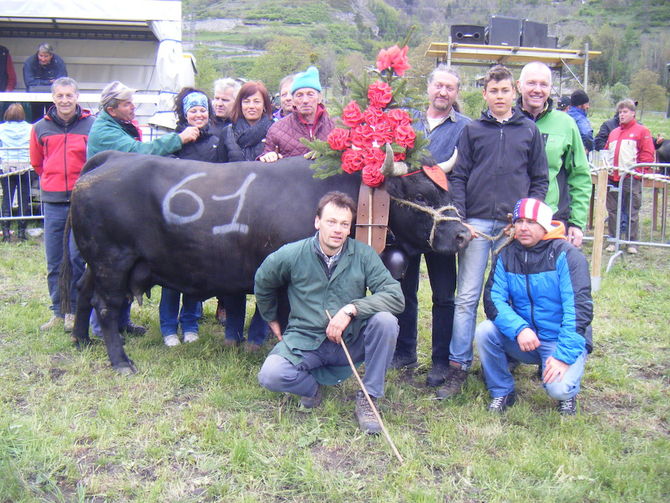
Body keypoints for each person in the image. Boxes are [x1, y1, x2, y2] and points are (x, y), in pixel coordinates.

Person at [438, 65, 548, 400]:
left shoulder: (528, 131)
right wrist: (461, 218)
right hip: (476, 225)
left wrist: (525, 220)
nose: (499, 97)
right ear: (484, 94)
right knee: (467, 297)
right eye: (493, 91)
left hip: (512, 227)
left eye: (504, 91)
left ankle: (500, 361)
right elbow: (458, 176)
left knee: (508, 296)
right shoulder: (472, 131)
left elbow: (539, 180)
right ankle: (457, 367)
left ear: (513, 93)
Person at [256, 191, 404, 433]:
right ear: (317, 222)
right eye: (331, 222)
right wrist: (271, 317)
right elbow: (263, 279)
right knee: (271, 375)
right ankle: (311, 389)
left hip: (350, 340)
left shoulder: (363, 255)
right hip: (305, 340)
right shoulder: (292, 253)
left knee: (386, 321)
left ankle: (369, 398)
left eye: (345, 224)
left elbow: (395, 296)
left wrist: (352, 309)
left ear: (349, 228)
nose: (338, 229)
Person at [87, 80, 200, 338]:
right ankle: (100, 327)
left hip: (120, 203)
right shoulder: (105, 131)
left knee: (124, 261)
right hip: (108, 206)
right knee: (107, 265)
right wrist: (178, 139)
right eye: (128, 104)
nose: (133, 107)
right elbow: (139, 153)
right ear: (112, 108)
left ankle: (121, 321)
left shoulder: (120, 125)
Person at [390, 64, 471, 388]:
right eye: (439, 86)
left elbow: (463, 176)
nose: (443, 92)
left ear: (456, 93)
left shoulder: (465, 128)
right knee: (404, 290)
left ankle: (440, 360)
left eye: (450, 88)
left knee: (444, 295)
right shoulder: (407, 121)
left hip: (443, 222)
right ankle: (405, 352)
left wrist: (459, 216)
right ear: (429, 87)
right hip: (408, 222)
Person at [475, 198, 593, 415]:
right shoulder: (506, 254)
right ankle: (502, 390)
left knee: (559, 389)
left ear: (545, 225)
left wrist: (563, 356)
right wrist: (520, 329)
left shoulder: (568, 255)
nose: (523, 228)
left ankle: (568, 392)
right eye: (519, 221)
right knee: (485, 331)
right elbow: (493, 300)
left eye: (531, 222)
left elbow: (578, 310)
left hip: (559, 339)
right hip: (526, 339)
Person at [158, 88, 224, 347]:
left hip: (206, 216)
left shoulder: (217, 139)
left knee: (195, 271)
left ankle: (191, 323)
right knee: (171, 274)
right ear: (185, 115)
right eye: (193, 111)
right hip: (175, 215)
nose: (199, 115)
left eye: (202, 111)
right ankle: (168, 327)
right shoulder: (175, 139)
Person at [29, 78, 91, 332]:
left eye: (69, 95)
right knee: (54, 260)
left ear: (77, 97)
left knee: (76, 258)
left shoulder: (90, 125)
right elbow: (37, 162)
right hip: (53, 201)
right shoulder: (39, 129)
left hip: (81, 201)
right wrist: (51, 180)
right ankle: (58, 310)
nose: (64, 100)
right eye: (60, 96)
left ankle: (74, 311)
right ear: (52, 98)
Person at [218, 81, 274, 350]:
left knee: (268, 274)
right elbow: (215, 171)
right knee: (231, 273)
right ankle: (232, 332)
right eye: (246, 101)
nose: (251, 107)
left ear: (265, 105)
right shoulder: (227, 133)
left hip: (266, 215)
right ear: (239, 105)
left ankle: (257, 335)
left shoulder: (275, 131)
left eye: (256, 102)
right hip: (231, 212)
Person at [517, 62, 592, 248]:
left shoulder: (566, 124)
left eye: (543, 84)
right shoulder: (507, 122)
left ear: (551, 88)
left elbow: (580, 175)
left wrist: (576, 223)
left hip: (552, 218)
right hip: (513, 219)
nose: (537, 90)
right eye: (531, 83)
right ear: (519, 85)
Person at [604, 99, 655, 255]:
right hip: (613, 176)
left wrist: (641, 172)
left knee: (632, 210)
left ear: (633, 113)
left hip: (631, 177)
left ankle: (631, 242)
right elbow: (606, 151)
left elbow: (647, 153)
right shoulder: (613, 133)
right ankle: (613, 239)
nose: (622, 115)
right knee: (612, 210)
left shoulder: (642, 131)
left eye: (625, 112)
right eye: (620, 112)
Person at [259, 66, 334, 162]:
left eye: (310, 94)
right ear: (293, 100)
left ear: (319, 98)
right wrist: (268, 156)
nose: (305, 100)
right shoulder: (276, 130)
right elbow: (265, 164)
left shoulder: (335, 127)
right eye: (299, 95)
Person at [1, 104, 32, 242]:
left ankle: (6, 233)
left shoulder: (1, 128)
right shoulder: (30, 128)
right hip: (25, 165)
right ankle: (21, 233)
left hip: (7, 165)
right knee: (24, 199)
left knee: (7, 198)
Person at [566, 89, 594, 153]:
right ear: (581, 105)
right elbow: (587, 135)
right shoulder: (581, 119)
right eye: (587, 104)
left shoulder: (565, 116)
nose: (588, 106)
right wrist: (589, 148)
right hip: (578, 154)